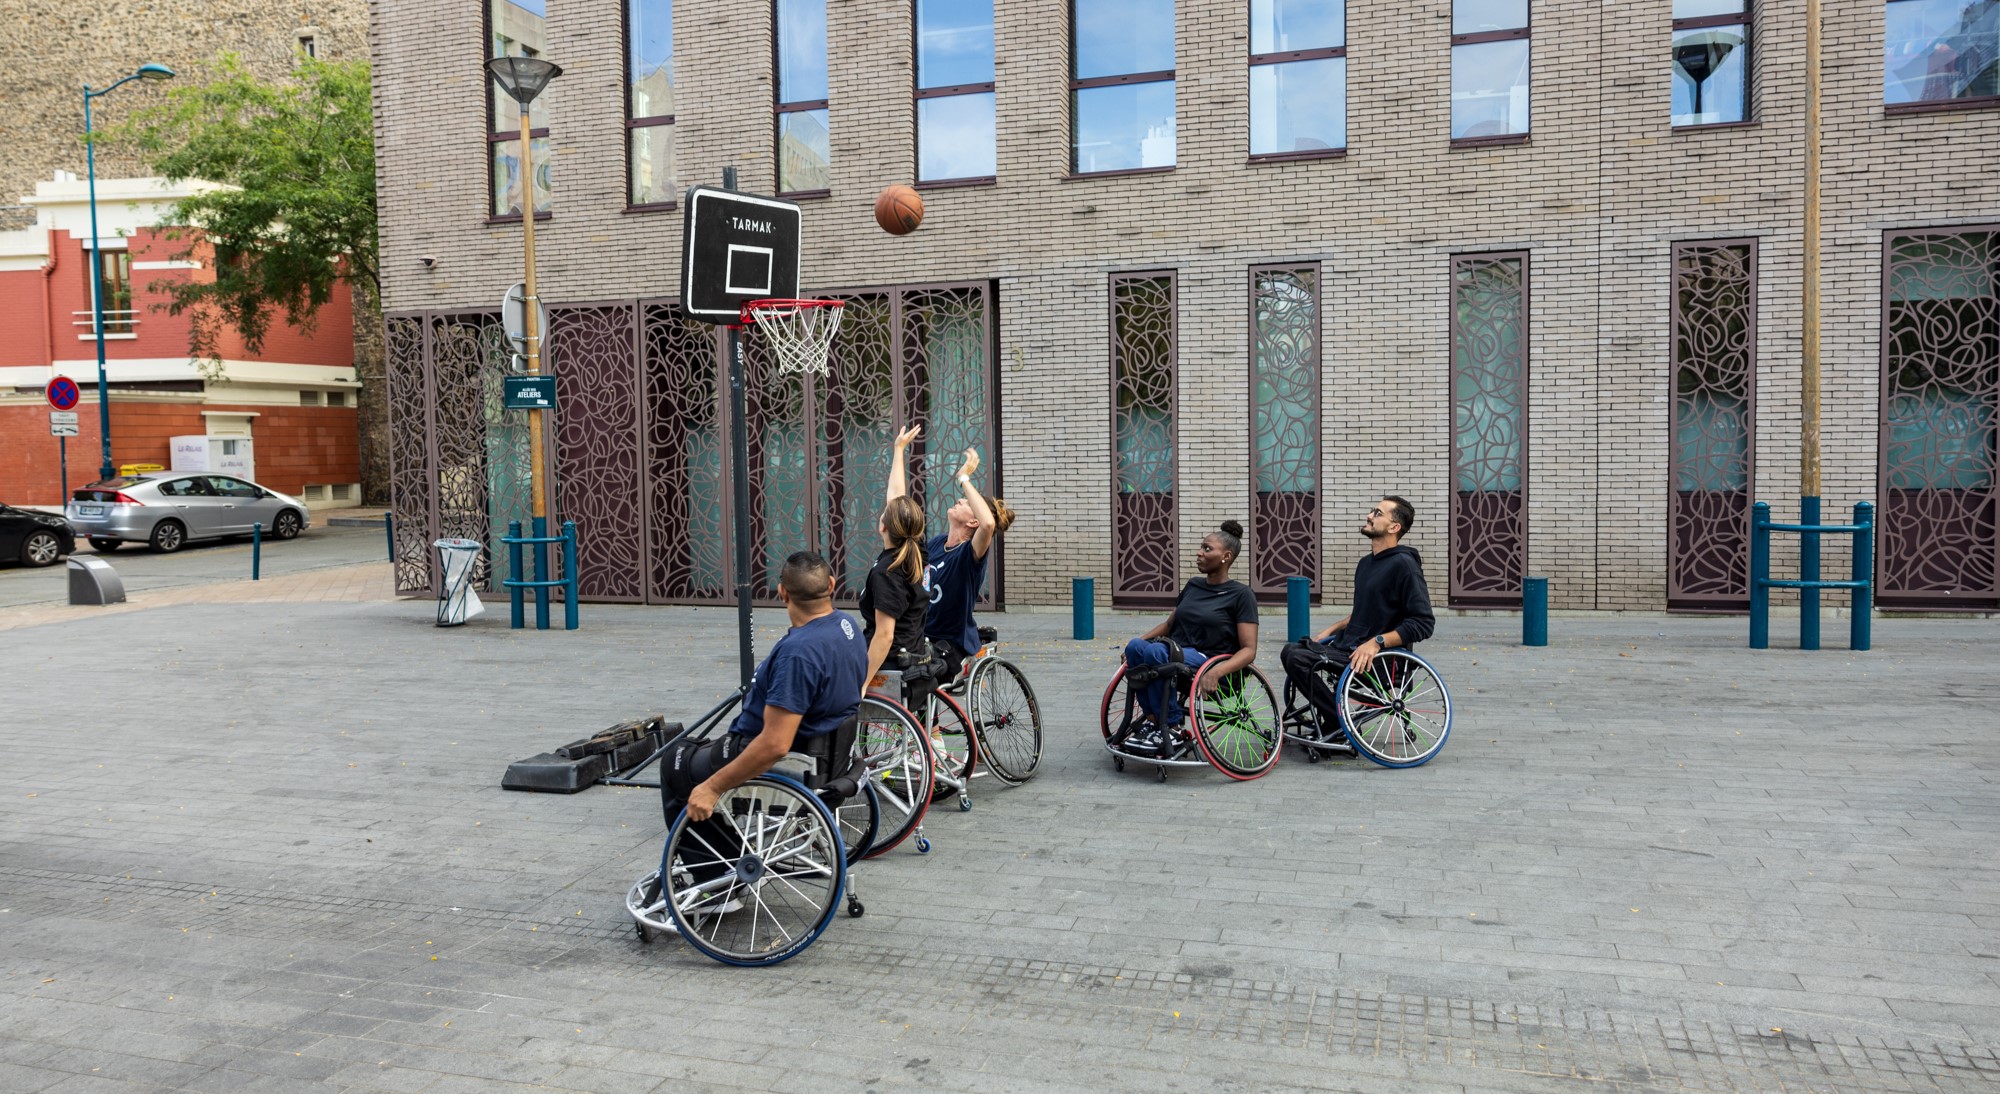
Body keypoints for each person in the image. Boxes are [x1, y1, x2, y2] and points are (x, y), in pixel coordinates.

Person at [663, 551, 868, 832]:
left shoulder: (799, 653)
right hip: (829, 752)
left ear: (782, 592)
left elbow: (775, 744)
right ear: (831, 585)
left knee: (676, 761)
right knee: (697, 748)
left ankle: (711, 867)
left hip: (789, 758)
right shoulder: (848, 626)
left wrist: (711, 787)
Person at [1280, 496, 1436, 733]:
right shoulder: (1366, 564)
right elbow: (1364, 612)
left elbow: (1423, 622)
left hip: (1378, 661)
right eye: (1372, 511)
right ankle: (1336, 718)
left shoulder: (1405, 565)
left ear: (1394, 527)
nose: (1369, 516)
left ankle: (1337, 722)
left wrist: (1376, 642)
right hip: (1348, 648)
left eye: (1378, 513)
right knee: (1294, 648)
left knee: (1295, 657)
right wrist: (1331, 630)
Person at [1118, 521, 1260, 756]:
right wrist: (1138, 641)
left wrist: (1216, 672)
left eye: (1207, 548)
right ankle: (1153, 721)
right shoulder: (1194, 585)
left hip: (1208, 660)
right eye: (1201, 547)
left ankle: (1171, 726)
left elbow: (1249, 650)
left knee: (1156, 653)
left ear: (1226, 556)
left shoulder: (1242, 595)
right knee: (1136, 648)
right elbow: (1168, 625)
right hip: (1174, 652)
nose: (1199, 552)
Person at [923, 443, 1015, 683]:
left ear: (973, 521)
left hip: (949, 645)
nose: (960, 501)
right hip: (922, 637)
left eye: (966, 502)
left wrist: (964, 477)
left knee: (918, 677)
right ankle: (922, 722)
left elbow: (988, 525)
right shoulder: (936, 543)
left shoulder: (968, 555)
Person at [864, 425, 933, 709]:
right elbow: (897, 500)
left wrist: (862, 682)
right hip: (915, 648)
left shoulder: (886, 572)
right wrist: (898, 451)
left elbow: (884, 635)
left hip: (892, 659)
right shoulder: (917, 551)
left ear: (883, 526)